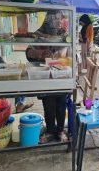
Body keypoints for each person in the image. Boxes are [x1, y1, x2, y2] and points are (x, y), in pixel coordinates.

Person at [26, 10, 69, 143]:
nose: (57, 22)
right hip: (44, 73)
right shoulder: (38, 34)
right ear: (47, 20)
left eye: (59, 19)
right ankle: (50, 130)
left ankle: (60, 130)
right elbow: (28, 52)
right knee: (49, 104)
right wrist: (39, 53)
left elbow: (71, 52)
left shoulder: (64, 34)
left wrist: (66, 57)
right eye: (54, 19)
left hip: (61, 74)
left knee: (62, 104)